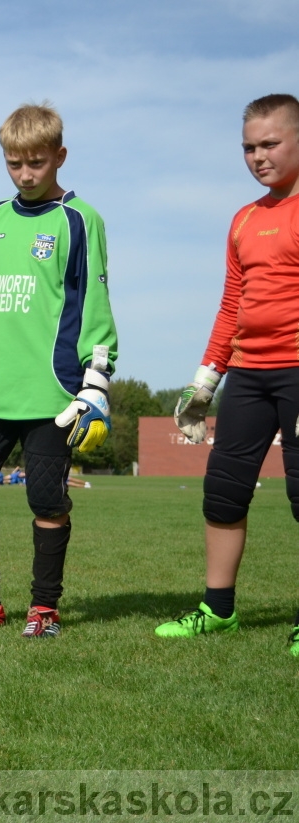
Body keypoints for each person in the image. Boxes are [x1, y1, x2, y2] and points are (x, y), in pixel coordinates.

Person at [0, 102, 118, 639]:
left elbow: (95, 305)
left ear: (60, 156)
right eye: (15, 163)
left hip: (53, 393)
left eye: (37, 162)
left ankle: (44, 609)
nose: (26, 174)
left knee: (47, 499)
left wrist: (96, 383)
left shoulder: (80, 220)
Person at [156, 93, 299, 655]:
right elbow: (231, 304)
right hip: (248, 375)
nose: (258, 156)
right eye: (248, 147)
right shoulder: (245, 219)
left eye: (270, 144)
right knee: (222, 493)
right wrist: (206, 380)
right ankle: (217, 611)